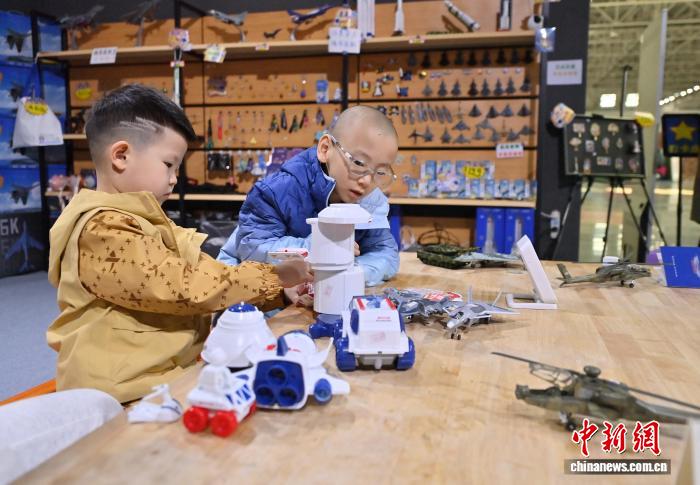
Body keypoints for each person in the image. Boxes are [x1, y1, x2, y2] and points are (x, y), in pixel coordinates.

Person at [47, 84, 312, 403]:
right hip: (119, 392)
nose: (174, 178)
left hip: (160, 374)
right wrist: (275, 276)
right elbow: (185, 286)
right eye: (168, 164)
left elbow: (206, 271)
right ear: (121, 156)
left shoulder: (146, 221)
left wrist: (277, 292)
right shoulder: (102, 230)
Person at [218, 105, 400, 290]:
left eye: (380, 172)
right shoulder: (275, 190)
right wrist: (319, 248)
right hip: (245, 292)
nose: (366, 181)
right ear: (325, 149)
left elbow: (385, 254)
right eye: (359, 163)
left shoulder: (369, 200)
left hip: (314, 294)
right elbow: (252, 250)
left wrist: (348, 273)